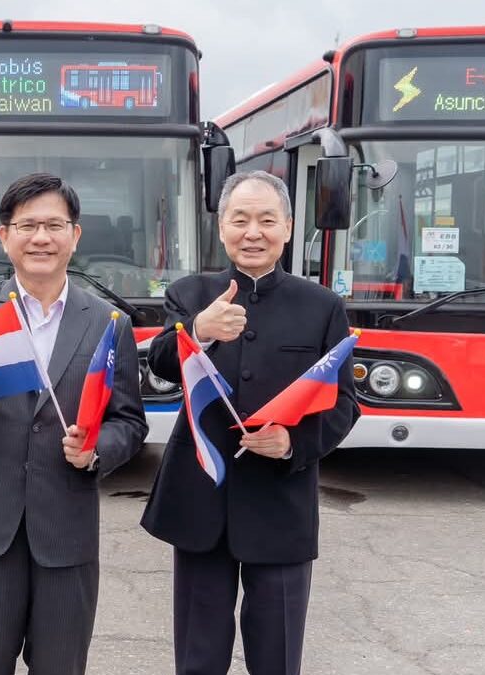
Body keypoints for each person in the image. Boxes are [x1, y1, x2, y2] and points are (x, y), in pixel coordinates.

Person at [0, 172, 148, 675]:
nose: (41, 237)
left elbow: (129, 420)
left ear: (75, 235)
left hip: (65, 524)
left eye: (54, 225)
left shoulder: (109, 322)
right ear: (5, 236)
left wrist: (97, 450)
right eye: (27, 225)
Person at [140, 170, 360, 675]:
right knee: (198, 656)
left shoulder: (322, 305)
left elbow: (344, 403)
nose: (252, 232)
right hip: (200, 498)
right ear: (222, 229)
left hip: (281, 504)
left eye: (266, 220)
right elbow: (160, 362)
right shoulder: (191, 293)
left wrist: (293, 443)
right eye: (240, 220)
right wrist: (199, 329)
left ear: (287, 228)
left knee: (277, 657)